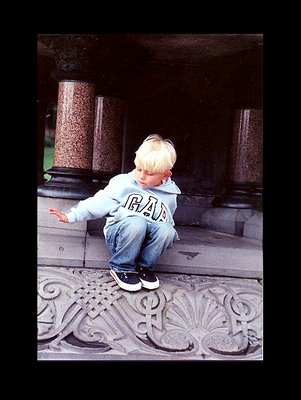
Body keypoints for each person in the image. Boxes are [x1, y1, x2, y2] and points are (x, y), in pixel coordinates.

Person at [49, 134, 181, 292]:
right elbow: (98, 202)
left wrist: (170, 232)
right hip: (120, 234)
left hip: (145, 238)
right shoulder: (123, 183)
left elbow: (166, 217)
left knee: (166, 230)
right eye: (139, 169)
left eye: (150, 173)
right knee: (136, 222)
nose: (141, 176)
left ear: (166, 175)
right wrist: (71, 215)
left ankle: (144, 267)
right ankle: (121, 266)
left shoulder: (170, 194)